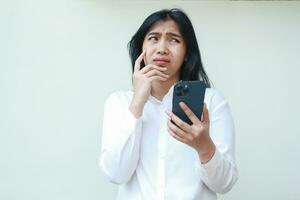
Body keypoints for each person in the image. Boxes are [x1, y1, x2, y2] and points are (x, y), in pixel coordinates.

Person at [99, 8, 238, 200]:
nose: (162, 48)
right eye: (154, 38)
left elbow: (224, 184)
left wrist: (203, 145)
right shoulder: (119, 102)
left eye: (173, 39)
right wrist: (137, 103)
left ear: (187, 52)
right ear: (142, 49)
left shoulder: (212, 101)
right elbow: (115, 174)